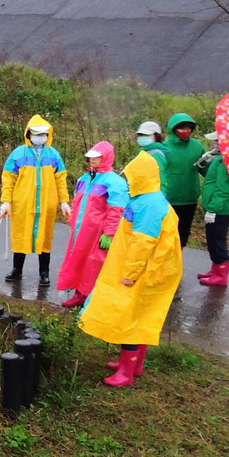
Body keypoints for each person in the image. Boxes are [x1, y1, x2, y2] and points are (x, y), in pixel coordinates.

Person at [78, 151, 183, 387]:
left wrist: (130, 274)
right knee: (141, 316)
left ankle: (126, 373)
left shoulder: (150, 205)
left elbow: (143, 243)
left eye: (131, 176)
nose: (128, 180)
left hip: (146, 271)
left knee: (129, 318)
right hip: (148, 269)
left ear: (142, 177)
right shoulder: (145, 199)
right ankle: (134, 364)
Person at [0, 115, 70, 286]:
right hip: (23, 203)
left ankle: (44, 273)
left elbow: (61, 179)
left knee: (45, 237)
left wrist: (64, 201)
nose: (40, 137)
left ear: (48, 135)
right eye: (37, 133)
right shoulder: (18, 154)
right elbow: (8, 178)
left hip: (47, 203)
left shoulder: (53, 155)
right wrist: (6, 201)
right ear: (29, 134)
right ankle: (17, 269)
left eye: (44, 134)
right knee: (20, 234)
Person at [57, 141, 129, 309]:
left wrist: (109, 233)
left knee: (94, 265)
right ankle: (79, 295)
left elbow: (116, 210)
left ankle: (93, 300)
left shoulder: (115, 182)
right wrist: (73, 221)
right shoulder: (84, 179)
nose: (92, 160)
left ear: (106, 157)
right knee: (78, 262)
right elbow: (77, 202)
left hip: (98, 233)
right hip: (80, 232)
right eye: (90, 157)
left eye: (96, 157)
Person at [195, 131, 229, 287]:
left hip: (221, 210)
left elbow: (223, 190)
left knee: (218, 242)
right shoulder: (220, 160)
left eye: (218, 141)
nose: (214, 143)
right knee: (212, 241)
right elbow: (211, 177)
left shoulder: (226, 163)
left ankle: (221, 276)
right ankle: (215, 270)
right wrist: (205, 162)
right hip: (217, 208)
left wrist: (213, 209)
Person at [160, 113, 205, 248]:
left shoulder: (197, 146)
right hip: (167, 199)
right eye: (182, 128)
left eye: (189, 128)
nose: (186, 132)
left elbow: (206, 171)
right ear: (173, 130)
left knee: (182, 236)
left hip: (189, 199)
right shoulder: (163, 148)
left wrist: (216, 163)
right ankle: (161, 265)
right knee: (165, 235)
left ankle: (176, 264)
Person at [135, 120, 168, 199]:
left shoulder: (156, 154)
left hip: (153, 197)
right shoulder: (143, 152)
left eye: (147, 135)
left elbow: (161, 179)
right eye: (141, 135)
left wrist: (161, 199)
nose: (143, 137)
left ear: (156, 136)